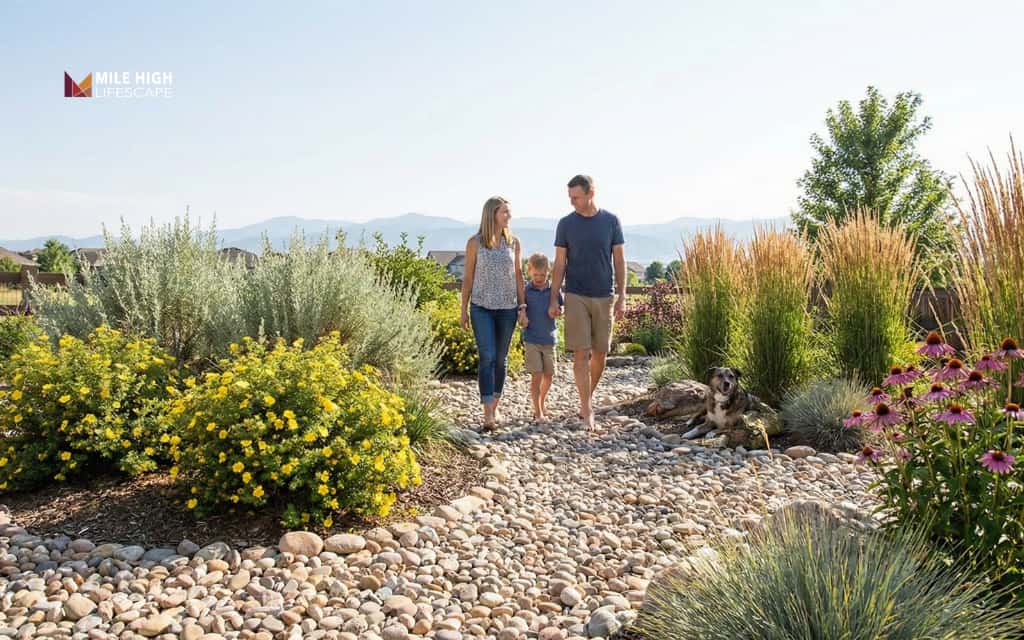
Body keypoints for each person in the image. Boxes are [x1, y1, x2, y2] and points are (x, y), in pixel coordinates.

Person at [549, 174, 626, 430]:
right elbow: (559, 263)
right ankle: (586, 408)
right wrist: (554, 297)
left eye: (576, 197)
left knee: (600, 354)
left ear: (590, 194)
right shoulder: (565, 224)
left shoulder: (611, 221)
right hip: (576, 294)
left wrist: (622, 295)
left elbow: (620, 261)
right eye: (570, 197)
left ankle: (586, 398)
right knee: (581, 353)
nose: (572, 202)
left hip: (604, 294)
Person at [461, 196, 526, 429]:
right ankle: (488, 412)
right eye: (504, 212)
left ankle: (495, 405)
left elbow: (518, 276)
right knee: (487, 357)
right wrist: (463, 310)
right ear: (492, 215)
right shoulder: (474, 243)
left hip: (507, 308)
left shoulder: (514, 243)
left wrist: (522, 306)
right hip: (481, 308)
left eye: (509, 212)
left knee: (501, 359)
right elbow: (467, 278)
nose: (509, 216)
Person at [520, 252, 563, 423]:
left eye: (542, 275)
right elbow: (520, 310)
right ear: (529, 271)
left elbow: (562, 306)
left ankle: (542, 401)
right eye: (536, 274)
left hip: (549, 339)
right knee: (536, 376)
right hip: (532, 339)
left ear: (548, 272)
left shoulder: (554, 290)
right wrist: (521, 318)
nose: (539, 278)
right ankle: (537, 412)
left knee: (549, 375)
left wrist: (559, 311)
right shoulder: (526, 291)